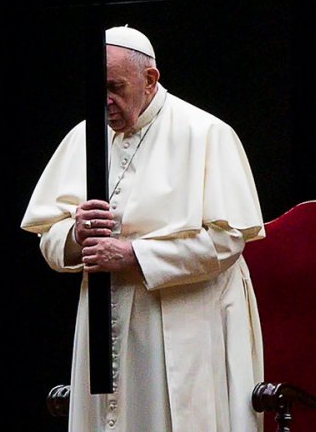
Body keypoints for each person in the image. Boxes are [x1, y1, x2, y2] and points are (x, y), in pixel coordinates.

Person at [21, 25, 265, 432]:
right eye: (97, 89)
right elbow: (49, 238)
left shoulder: (204, 133)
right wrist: (75, 236)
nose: (106, 102)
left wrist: (134, 255)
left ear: (150, 79)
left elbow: (227, 241)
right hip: (103, 322)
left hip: (182, 318)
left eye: (115, 87)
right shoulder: (84, 137)